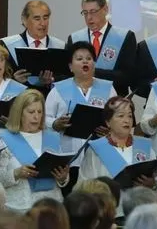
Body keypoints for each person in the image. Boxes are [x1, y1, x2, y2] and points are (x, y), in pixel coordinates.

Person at [45, 41, 117, 183]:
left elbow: (116, 117)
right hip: (69, 158)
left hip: (99, 157)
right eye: (79, 59)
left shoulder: (108, 89)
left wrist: (110, 129)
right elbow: (45, 118)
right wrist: (55, 123)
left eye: (89, 58)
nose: (85, 61)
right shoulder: (58, 90)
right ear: (70, 67)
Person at [79, 96, 157, 213]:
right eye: (121, 116)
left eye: (130, 116)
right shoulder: (96, 149)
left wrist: (153, 184)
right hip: (109, 213)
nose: (127, 120)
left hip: (141, 212)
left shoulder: (145, 146)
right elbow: (84, 186)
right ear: (108, 122)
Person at [0, 90, 70, 212]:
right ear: (19, 113)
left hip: (52, 208)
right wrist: (16, 173)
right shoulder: (5, 139)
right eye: (31, 112)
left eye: (40, 112)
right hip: (19, 209)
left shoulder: (52, 138)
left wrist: (63, 178)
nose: (36, 117)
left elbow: (62, 174)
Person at [66, 0, 138, 97]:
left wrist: (92, 72)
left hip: (113, 101)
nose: (89, 17)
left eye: (93, 12)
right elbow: (68, 73)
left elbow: (128, 76)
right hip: (80, 99)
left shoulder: (125, 37)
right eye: (85, 13)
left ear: (105, 10)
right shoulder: (74, 39)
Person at [0, 0, 66, 88]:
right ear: (24, 20)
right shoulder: (7, 45)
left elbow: (66, 78)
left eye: (45, 18)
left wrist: (52, 80)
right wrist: (14, 80)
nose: (43, 23)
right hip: (19, 95)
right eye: (37, 19)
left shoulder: (60, 46)